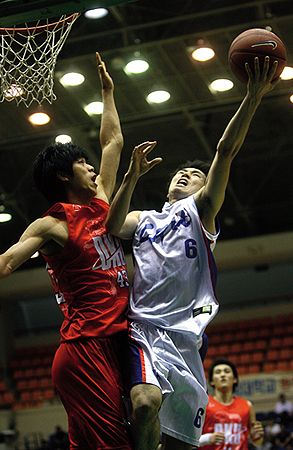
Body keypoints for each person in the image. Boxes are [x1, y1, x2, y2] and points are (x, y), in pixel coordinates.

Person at [105, 56, 279, 450]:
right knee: (145, 404)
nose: (185, 175)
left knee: (183, 444)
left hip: (186, 340)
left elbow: (226, 150)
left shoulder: (200, 212)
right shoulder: (144, 218)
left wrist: (251, 97)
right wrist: (131, 177)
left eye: (196, 175)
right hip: (143, 329)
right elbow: (114, 225)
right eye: (180, 173)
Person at [0, 52, 133, 450]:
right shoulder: (52, 224)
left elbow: (113, 141)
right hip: (85, 349)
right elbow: (6, 262)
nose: (93, 169)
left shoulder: (103, 202)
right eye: (82, 163)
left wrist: (108, 93)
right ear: (63, 174)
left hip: (117, 342)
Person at [199, 358, 264, 450]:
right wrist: (207, 439)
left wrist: (256, 437)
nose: (222, 375)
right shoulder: (203, 404)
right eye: (218, 372)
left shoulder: (247, 405)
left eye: (226, 371)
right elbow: (189, 440)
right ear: (211, 381)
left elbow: (257, 442)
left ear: (235, 379)